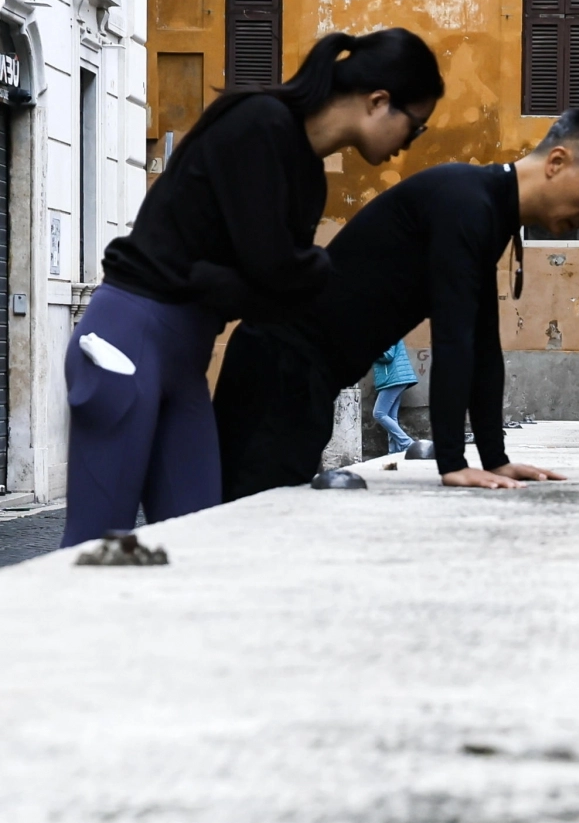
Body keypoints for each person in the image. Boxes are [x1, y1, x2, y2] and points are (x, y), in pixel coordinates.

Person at [61, 28, 445, 547]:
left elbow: (278, 283)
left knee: (202, 540)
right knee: (96, 545)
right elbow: (273, 270)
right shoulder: (260, 124)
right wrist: (296, 270)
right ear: (378, 102)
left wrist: (255, 274)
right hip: (129, 335)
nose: (406, 146)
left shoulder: (308, 175)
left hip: (184, 350)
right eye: (415, 128)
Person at [214, 106, 579, 495]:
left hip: (303, 376)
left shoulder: (486, 207)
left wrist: (496, 459)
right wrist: (453, 463)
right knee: (241, 528)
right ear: (557, 162)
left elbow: (483, 345)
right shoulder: (469, 203)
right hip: (277, 370)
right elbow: (453, 336)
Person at [372, 341, 420, 455]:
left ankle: (407, 443)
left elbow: (388, 355)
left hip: (393, 378)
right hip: (394, 378)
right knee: (390, 416)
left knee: (379, 413)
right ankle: (394, 451)